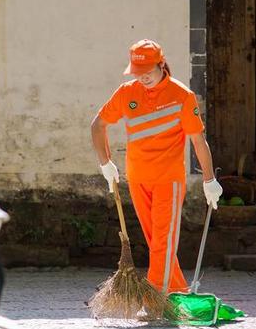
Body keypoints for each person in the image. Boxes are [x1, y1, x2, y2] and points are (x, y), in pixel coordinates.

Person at [90, 39, 223, 294]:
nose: (142, 78)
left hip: (168, 181)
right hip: (138, 178)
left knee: (163, 242)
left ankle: (154, 298)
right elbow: (98, 125)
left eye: (147, 71)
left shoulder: (182, 96)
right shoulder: (127, 92)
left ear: (161, 64)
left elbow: (198, 140)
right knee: (156, 242)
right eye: (137, 73)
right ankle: (176, 292)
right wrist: (105, 163)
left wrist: (209, 180)